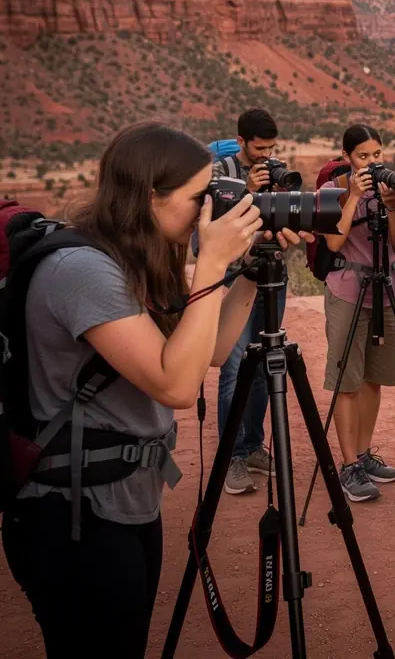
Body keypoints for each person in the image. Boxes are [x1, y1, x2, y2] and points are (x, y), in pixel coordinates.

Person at [1, 122, 309, 658]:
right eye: (199, 198)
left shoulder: (141, 252)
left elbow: (207, 350)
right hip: (72, 516)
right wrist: (212, 261)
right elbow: (176, 384)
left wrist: (251, 271)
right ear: (150, 197)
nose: (206, 211)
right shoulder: (81, 270)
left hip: (126, 500)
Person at [321, 124, 395, 503]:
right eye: (363, 157)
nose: (373, 163)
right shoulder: (332, 191)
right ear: (346, 157)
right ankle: (347, 466)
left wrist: (392, 205)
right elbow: (333, 240)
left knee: (374, 378)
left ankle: (363, 454)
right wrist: (354, 196)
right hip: (347, 291)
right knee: (347, 380)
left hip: (387, 291)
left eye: (377, 155)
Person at [212, 108, 288, 496]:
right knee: (233, 368)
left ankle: (253, 446)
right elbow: (215, 231)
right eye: (260, 148)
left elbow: (286, 217)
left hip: (272, 275)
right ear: (240, 141)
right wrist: (251, 190)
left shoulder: (277, 167)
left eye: (272, 148)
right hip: (234, 279)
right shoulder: (219, 172)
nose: (267, 156)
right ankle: (231, 457)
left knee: (265, 363)